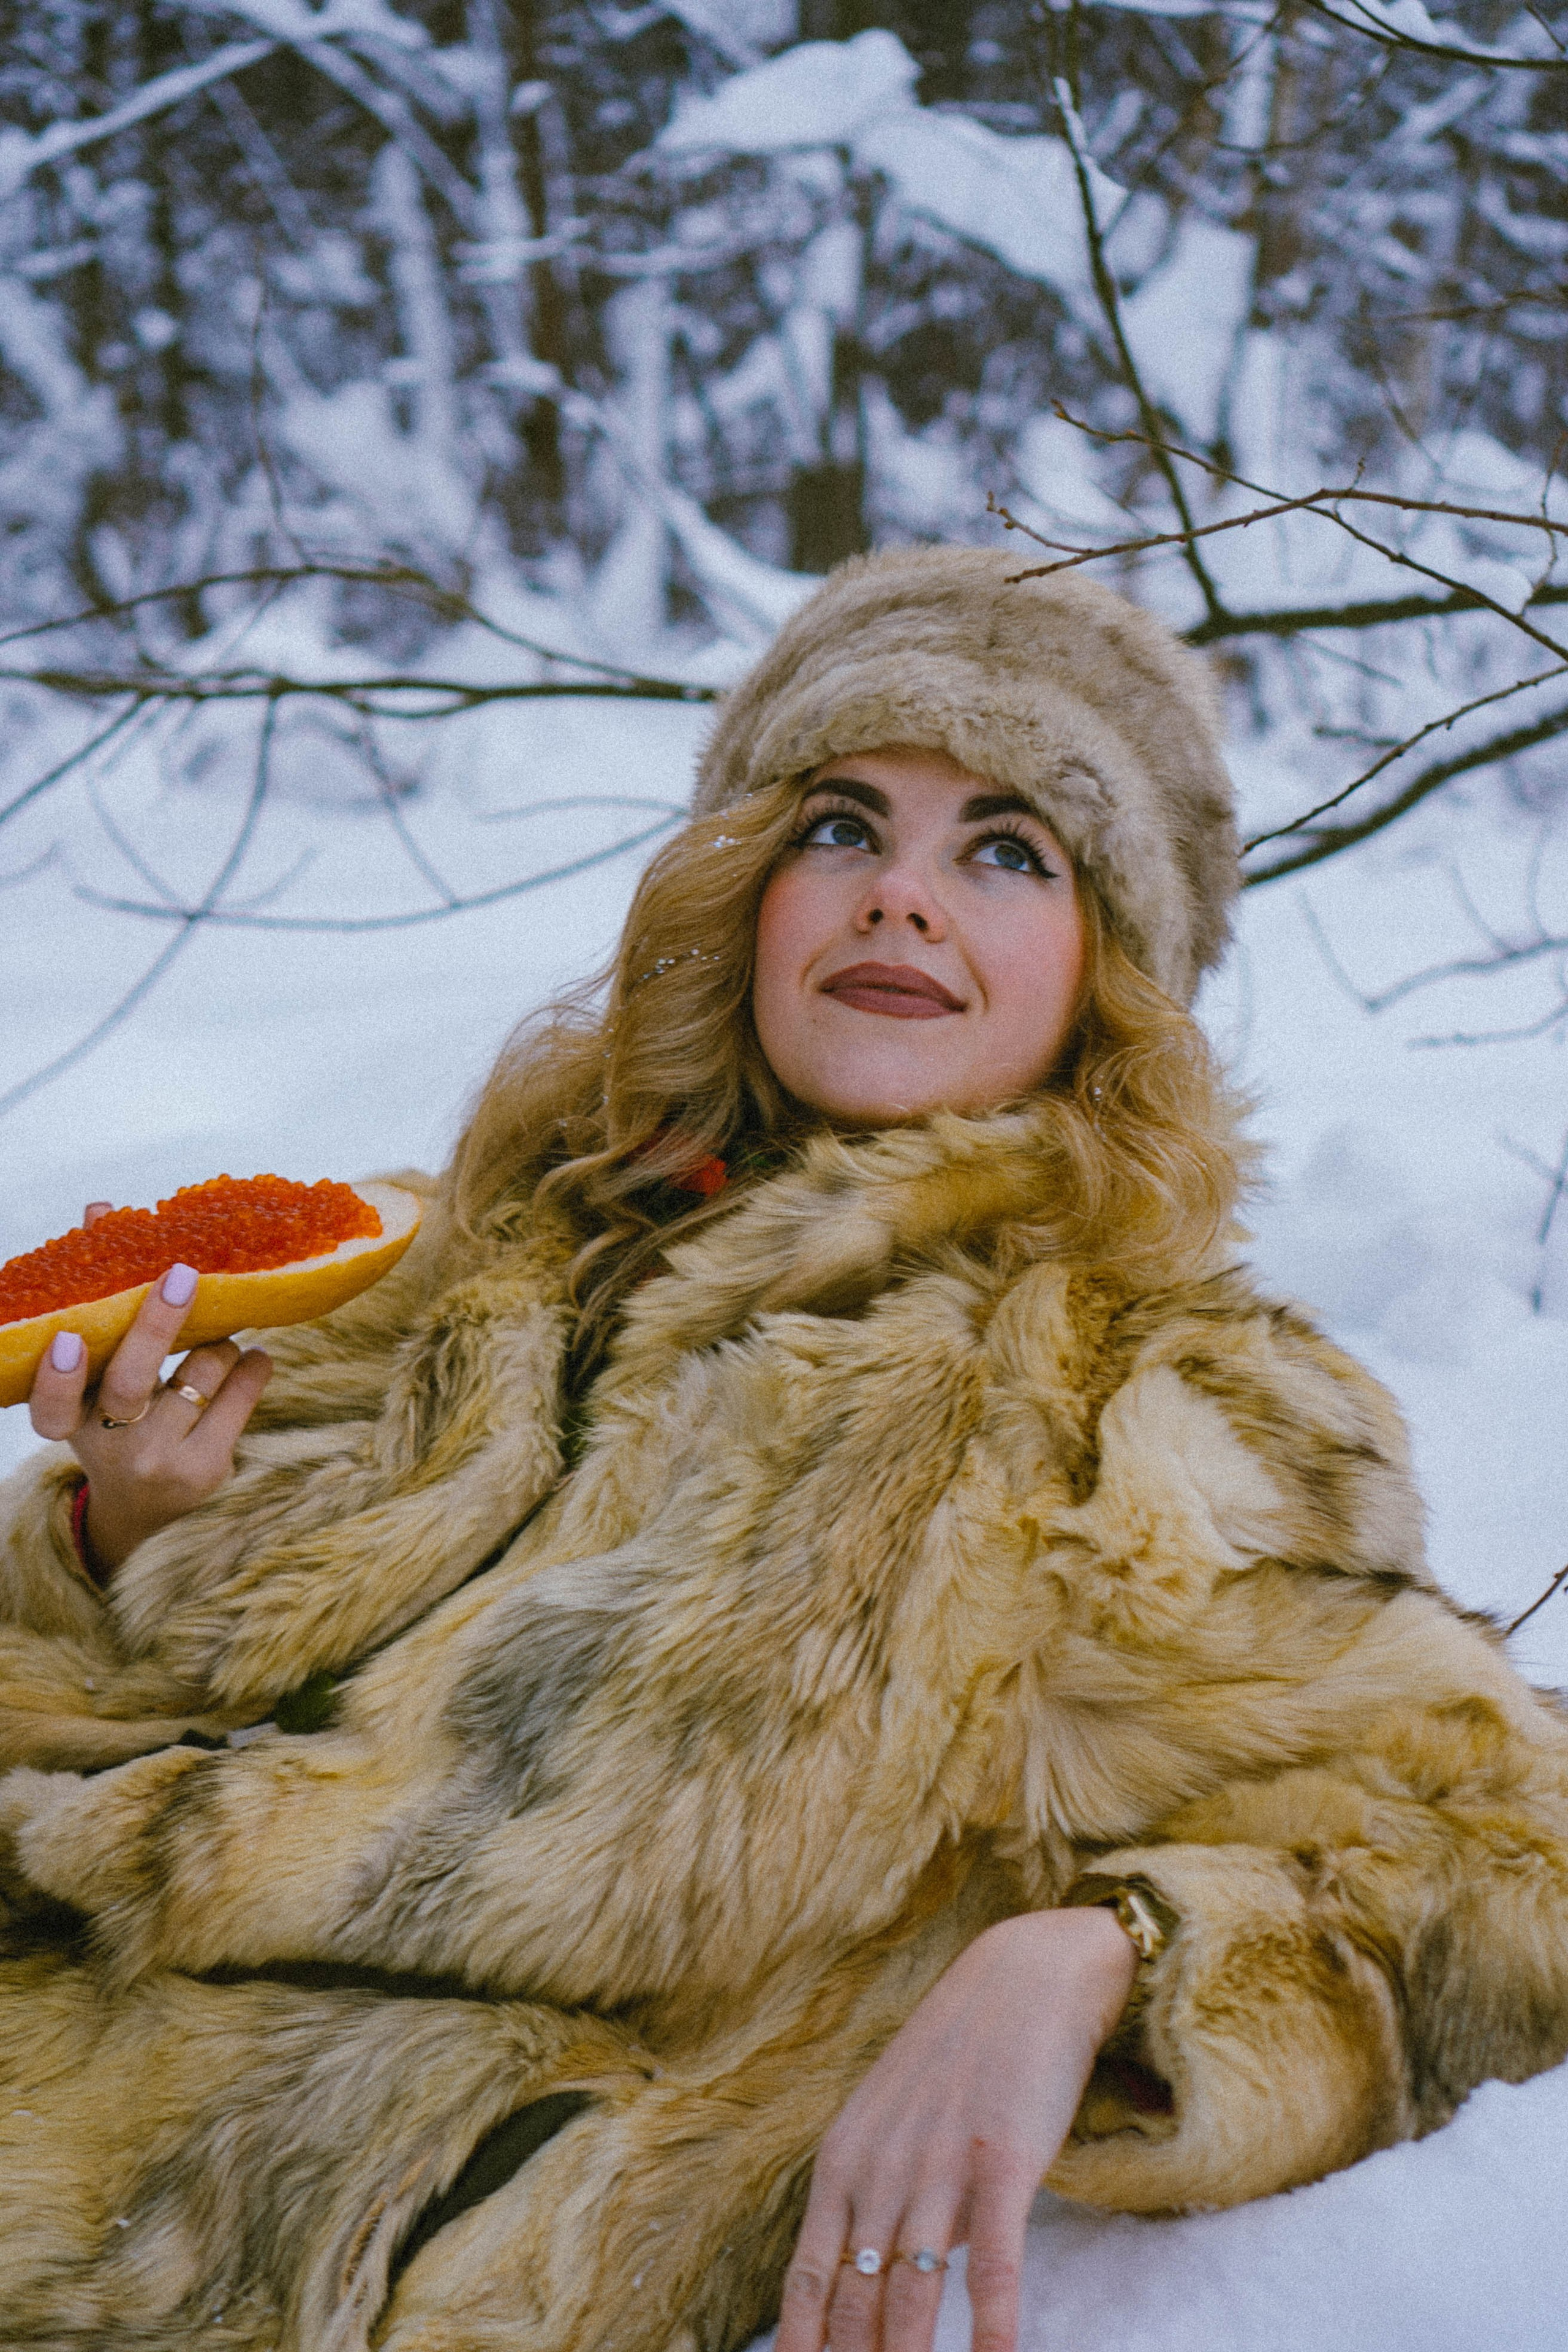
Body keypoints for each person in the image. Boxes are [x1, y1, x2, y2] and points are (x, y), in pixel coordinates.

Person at [1, 545, 1566, 2352]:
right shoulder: (485, 1254)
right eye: (840, 827)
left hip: (303, 2261)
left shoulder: (1150, 1399)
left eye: (1006, 850)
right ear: (745, 887)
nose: (900, 899)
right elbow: (136, 1711)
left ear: (1108, 966)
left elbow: (1494, 1873)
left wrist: (1098, 1957)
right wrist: (124, 1535)